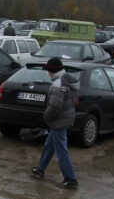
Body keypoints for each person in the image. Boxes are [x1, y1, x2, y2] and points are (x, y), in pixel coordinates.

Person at [31, 58, 80, 189]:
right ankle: (40, 169)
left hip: (59, 120)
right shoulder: (68, 79)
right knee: (49, 144)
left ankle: (70, 179)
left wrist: (46, 117)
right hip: (66, 117)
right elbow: (75, 99)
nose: (47, 73)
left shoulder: (57, 85)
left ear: (52, 71)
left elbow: (55, 105)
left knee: (61, 151)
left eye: (48, 70)